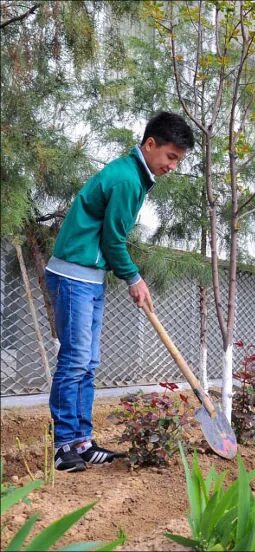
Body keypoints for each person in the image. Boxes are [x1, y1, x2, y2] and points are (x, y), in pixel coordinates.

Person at [45, 112, 195, 472]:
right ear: (150, 145)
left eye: (178, 160)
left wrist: (126, 276)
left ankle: (82, 442)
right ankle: (63, 445)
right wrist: (133, 278)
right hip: (73, 276)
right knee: (76, 360)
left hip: (89, 277)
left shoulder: (134, 176)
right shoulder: (128, 179)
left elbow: (109, 238)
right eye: (170, 157)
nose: (172, 166)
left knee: (89, 363)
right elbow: (113, 240)